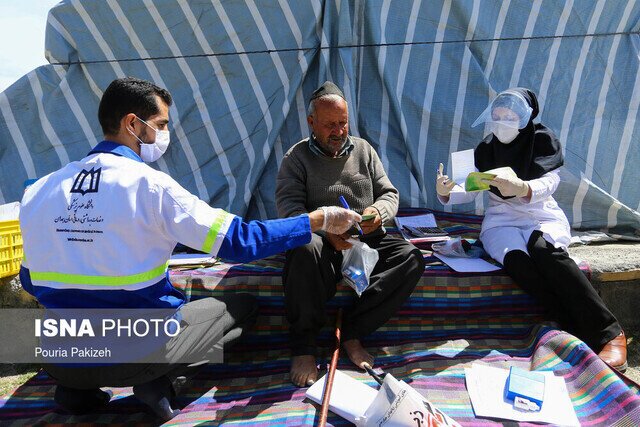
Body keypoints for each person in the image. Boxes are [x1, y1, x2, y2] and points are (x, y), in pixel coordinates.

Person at [18, 77, 361, 420]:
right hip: (134, 355)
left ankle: (77, 390)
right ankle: (163, 381)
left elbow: (32, 282)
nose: (165, 134)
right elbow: (241, 241)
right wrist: (318, 220)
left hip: (61, 357)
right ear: (132, 124)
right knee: (241, 308)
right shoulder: (150, 187)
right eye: (161, 124)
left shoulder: (39, 191)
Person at [436, 87, 627, 371]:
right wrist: (448, 191)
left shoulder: (543, 141)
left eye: (510, 116)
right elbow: (470, 188)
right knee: (518, 261)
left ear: (525, 117)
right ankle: (572, 325)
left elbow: (550, 182)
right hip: (502, 219)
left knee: (544, 251)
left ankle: (610, 331)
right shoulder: (486, 148)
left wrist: (523, 187)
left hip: (540, 214)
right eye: (498, 115)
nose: (503, 122)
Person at [276, 81, 425, 387]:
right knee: (303, 248)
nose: (338, 131)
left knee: (410, 257)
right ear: (311, 123)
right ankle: (304, 345)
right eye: (330, 124)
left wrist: (377, 214)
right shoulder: (296, 157)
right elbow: (289, 210)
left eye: (343, 123)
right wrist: (326, 229)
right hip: (324, 242)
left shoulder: (364, 150)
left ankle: (352, 331)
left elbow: (389, 193)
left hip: (366, 237)